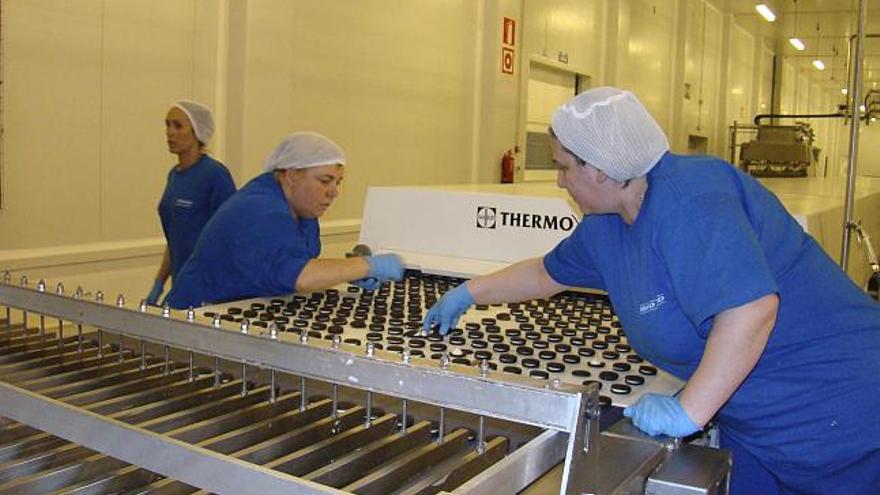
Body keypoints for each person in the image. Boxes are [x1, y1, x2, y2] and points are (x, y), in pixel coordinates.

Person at [423, 87, 880, 494]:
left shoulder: (690, 198)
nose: (559, 180)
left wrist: (688, 411)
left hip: (840, 415)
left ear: (599, 169)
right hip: (755, 421)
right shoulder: (607, 224)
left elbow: (752, 309)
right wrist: (469, 293)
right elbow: (546, 273)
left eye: (563, 166)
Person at [165, 132, 403, 309]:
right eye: (324, 181)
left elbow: (294, 270)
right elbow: (300, 276)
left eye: (337, 182)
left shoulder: (303, 213)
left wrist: (348, 273)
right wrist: (367, 265)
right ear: (291, 175)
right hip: (194, 319)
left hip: (230, 313)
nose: (333, 192)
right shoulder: (260, 209)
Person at [147, 100, 236, 306]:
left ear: (197, 132)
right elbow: (176, 237)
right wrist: (160, 282)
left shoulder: (215, 175)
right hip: (181, 284)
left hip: (208, 289)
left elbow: (229, 237)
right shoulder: (174, 176)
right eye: (167, 125)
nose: (170, 132)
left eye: (178, 126)